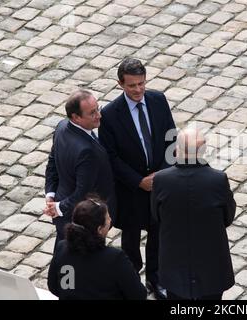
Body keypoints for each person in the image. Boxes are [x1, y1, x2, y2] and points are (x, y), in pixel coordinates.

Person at [98, 58, 176, 299]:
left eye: (141, 83)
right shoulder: (110, 114)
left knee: (158, 234)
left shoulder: (158, 100)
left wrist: (161, 174)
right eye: (132, 85)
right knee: (130, 239)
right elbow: (110, 157)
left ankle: (156, 278)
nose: (138, 90)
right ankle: (131, 279)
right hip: (130, 190)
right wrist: (138, 181)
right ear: (120, 84)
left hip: (159, 183)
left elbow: (171, 139)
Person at [151, 128, 236, 300]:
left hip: (174, 263)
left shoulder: (161, 179)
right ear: (203, 150)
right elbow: (228, 216)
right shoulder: (218, 180)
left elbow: (156, 215)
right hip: (211, 263)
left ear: (177, 150)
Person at [44, 90, 116, 250]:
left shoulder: (62, 126)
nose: (99, 115)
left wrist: (50, 195)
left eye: (98, 108)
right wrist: (58, 207)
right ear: (76, 117)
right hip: (82, 219)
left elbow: (52, 163)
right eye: (92, 113)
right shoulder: (86, 151)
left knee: (62, 252)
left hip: (63, 209)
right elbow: (83, 192)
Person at [47, 197, 147, 300]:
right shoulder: (115, 258)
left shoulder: (61, 248)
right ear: (99, 229)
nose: (110, 220)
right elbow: (138, 295)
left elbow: (53, 286)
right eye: (108, 218)